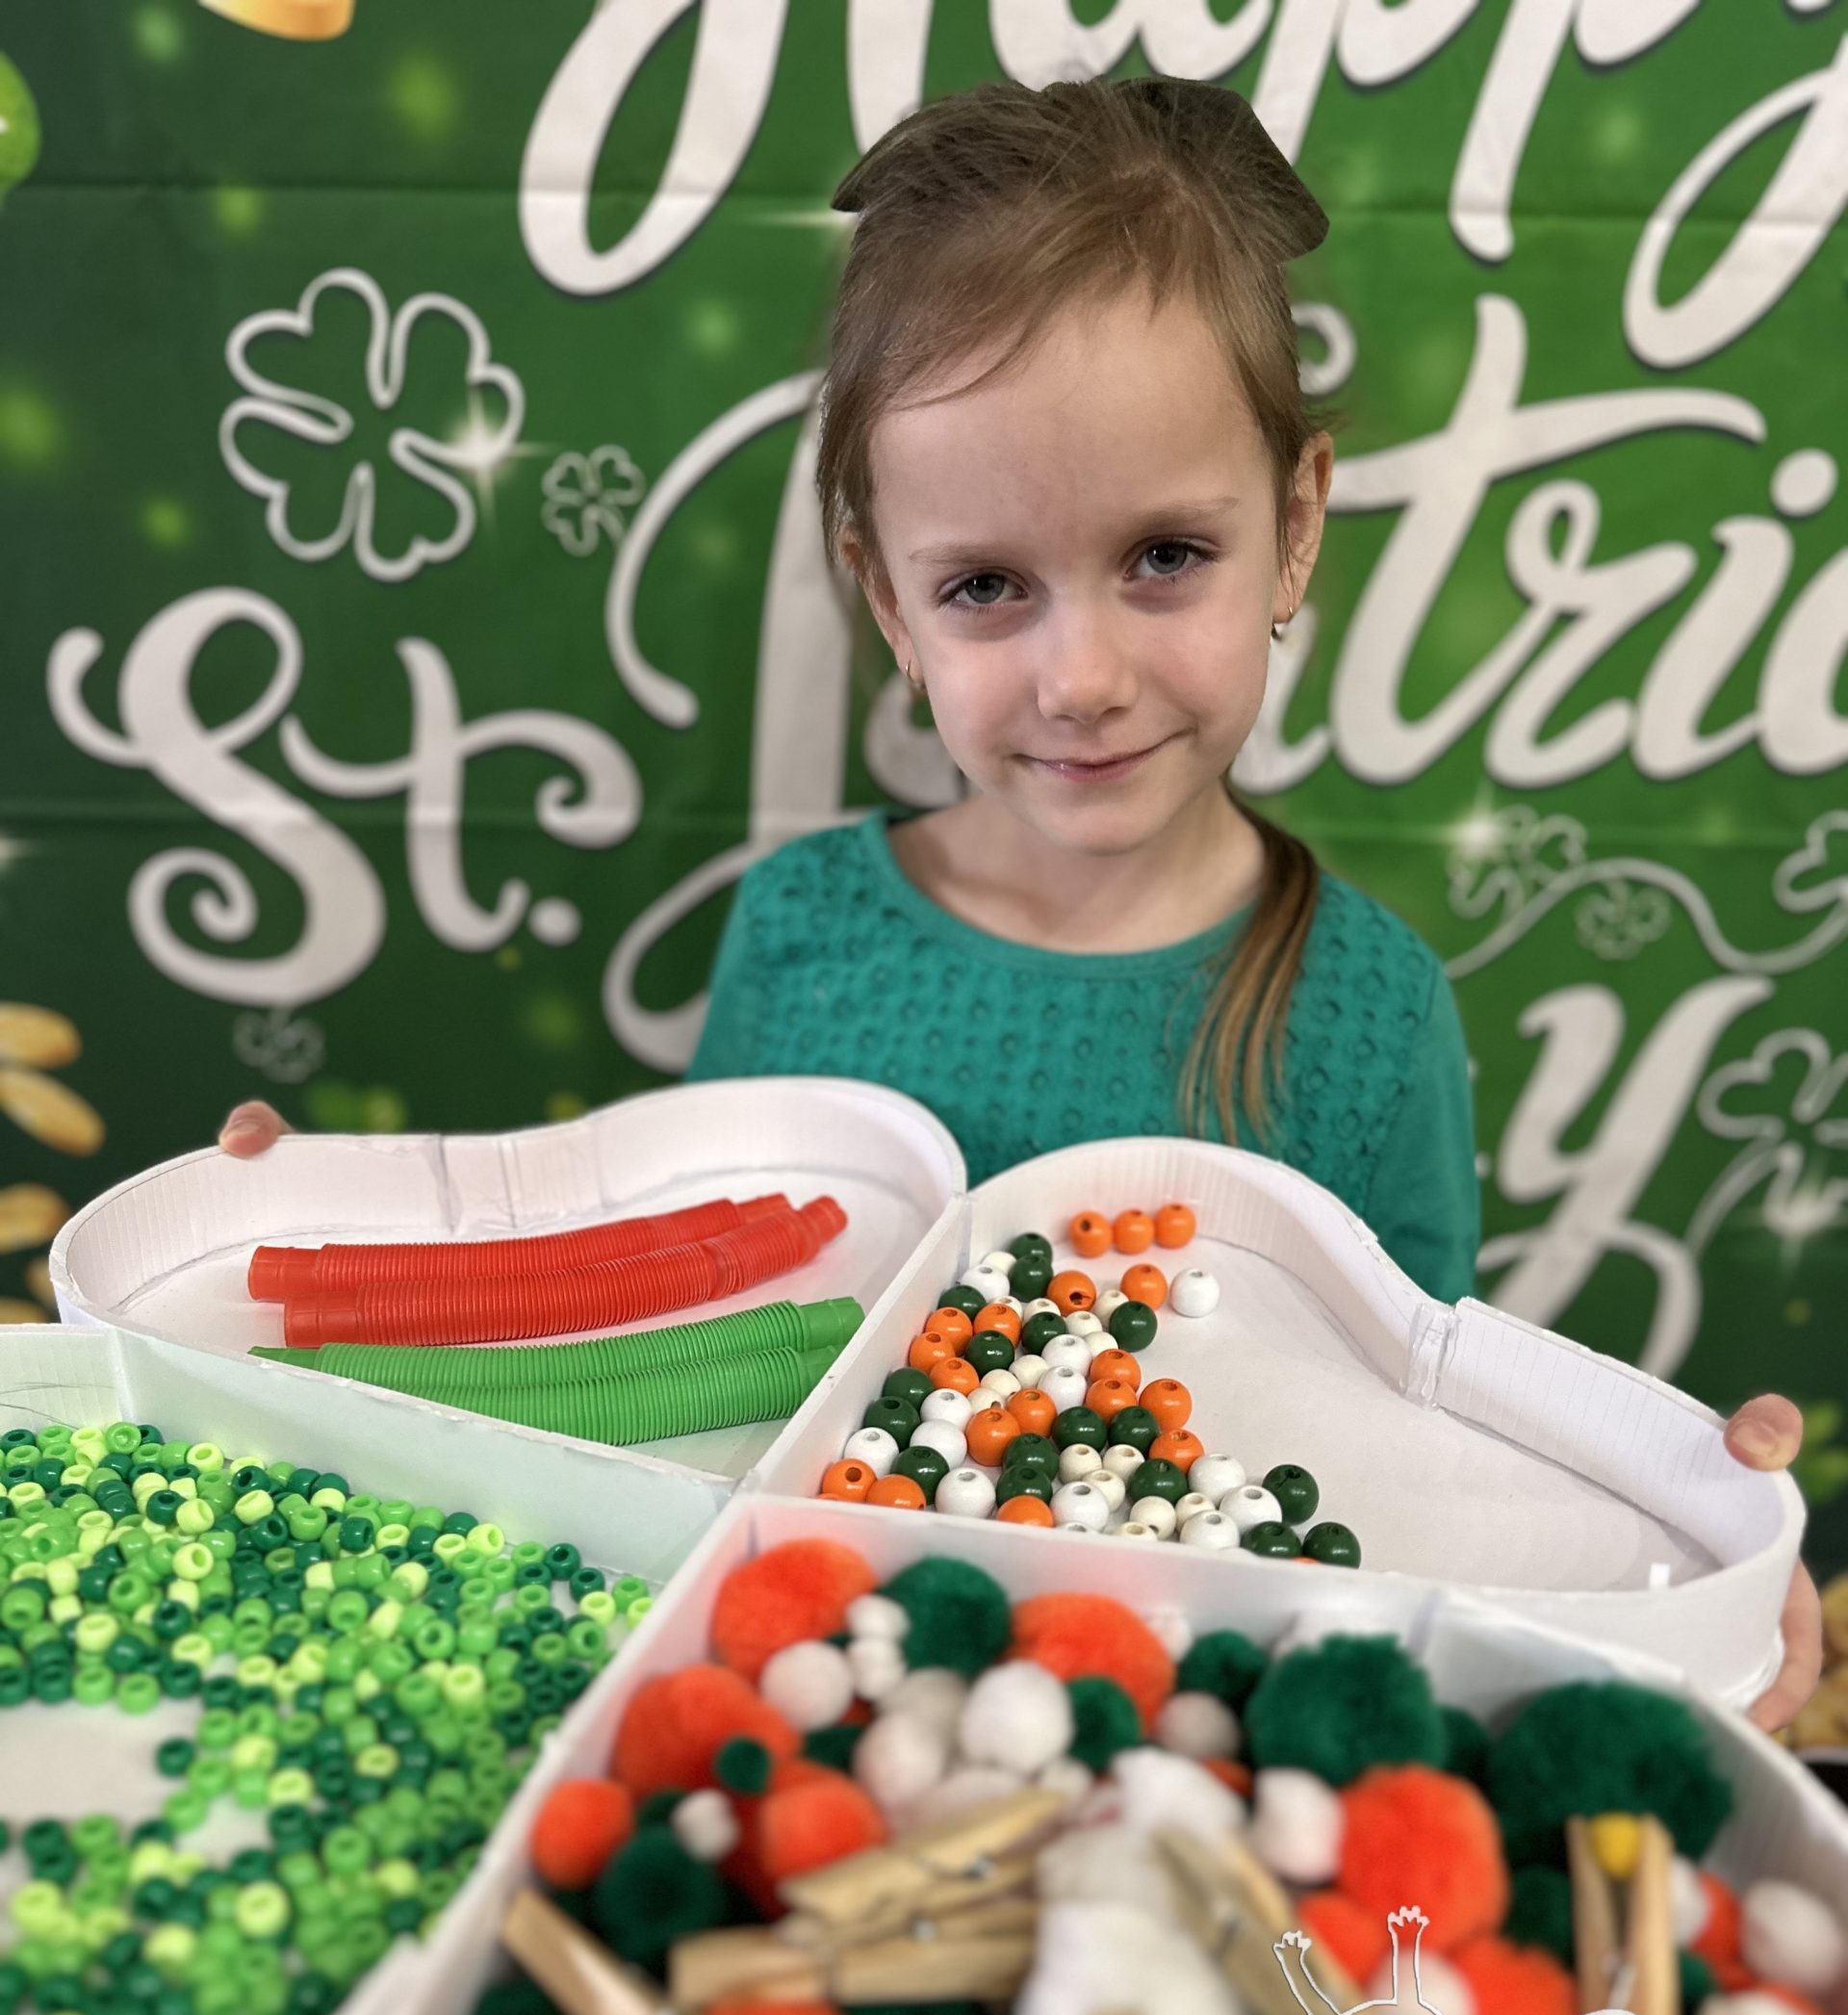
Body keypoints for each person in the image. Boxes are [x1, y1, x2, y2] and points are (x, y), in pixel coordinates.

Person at [216, 77, 1821, 1732]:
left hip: (1195, 1739)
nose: (1083, 676)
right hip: (801, 1697)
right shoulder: (802, 936)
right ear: (888, 602)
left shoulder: (1366, 1012)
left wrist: (1690, 1534)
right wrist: (337, 1237)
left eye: (1165, 556)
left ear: (1295, 530)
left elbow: (1434, 1452)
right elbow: (666, 1320)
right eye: (986, 586)